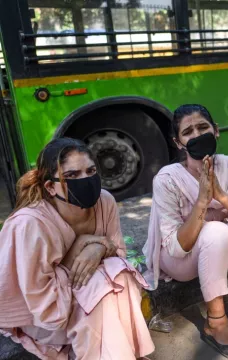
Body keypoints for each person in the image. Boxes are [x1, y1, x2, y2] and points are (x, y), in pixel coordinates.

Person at [0, 138, 154, 360]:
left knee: (117, 274)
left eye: (90, 171)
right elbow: (44, 308)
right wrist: (80, 249)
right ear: (50, 187)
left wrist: (97, 247)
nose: (85, 180)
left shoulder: (105, 201)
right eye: (72, 175)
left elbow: (119, 255)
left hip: (90, 298)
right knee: (102, 287)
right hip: (39, 317)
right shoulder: (30, 224)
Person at [143, 104, 228, 360]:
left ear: (216, 130)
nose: (197, 135)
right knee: (216, 231)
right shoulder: (167, 179)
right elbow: (176, 246)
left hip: (219, 249)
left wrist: (221, 196)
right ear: (178, 142)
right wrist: (202, 200)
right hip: (179, 260)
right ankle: (216, 321)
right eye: (188, 131)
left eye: (203, 127)